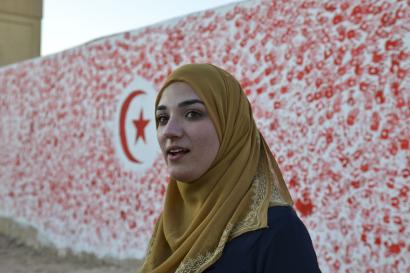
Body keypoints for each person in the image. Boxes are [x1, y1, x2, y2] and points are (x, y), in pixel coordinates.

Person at [139, 64, 322, 273]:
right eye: (162, 118)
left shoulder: (276, 232)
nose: (169, 131)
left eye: (192, 114)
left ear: (231, 128)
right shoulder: (171, 226)